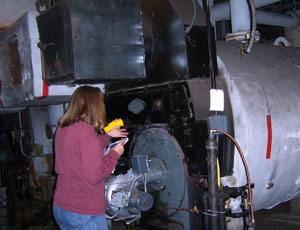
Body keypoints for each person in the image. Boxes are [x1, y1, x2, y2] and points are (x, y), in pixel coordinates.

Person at [52, 85, 128, 230]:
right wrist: (115, 154)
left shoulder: (63, 127)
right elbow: (95, 175)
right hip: (83, 212)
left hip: (62, 207)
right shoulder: (87, 132)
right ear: (95, 106)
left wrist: (106, 136)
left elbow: (82, 151)